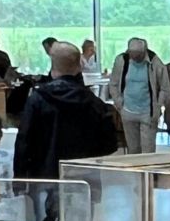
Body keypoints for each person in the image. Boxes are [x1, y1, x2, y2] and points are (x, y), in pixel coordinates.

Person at [14, 42, 116, 180]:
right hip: (85, 176)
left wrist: (19, 178)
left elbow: (24, 142)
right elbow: (110, 143)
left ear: (52, 64)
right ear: (79, 65)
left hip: (45, 176)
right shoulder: (93, 102)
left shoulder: (38, 100)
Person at [108, 36, 170, 154]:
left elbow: (165, 88)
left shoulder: (155, 62)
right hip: (127, 111)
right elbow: (113, 84)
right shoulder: (122, 61)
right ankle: (135, 173)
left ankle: (148, 172)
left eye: (138, 55)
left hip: (148, 113)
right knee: (133, 149)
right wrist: (119, 102)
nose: (135, 58)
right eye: (132, 54)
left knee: (148, 150)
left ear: (144, 51)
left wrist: (158, 107)